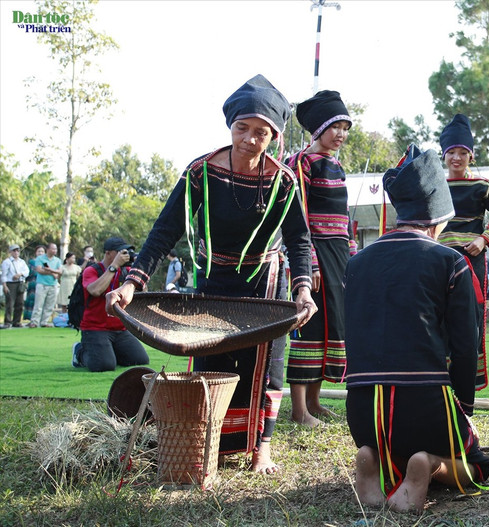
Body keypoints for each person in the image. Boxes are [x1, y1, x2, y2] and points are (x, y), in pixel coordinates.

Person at [105, 74, 316, 474]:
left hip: (266, 283)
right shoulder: (201, 173)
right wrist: (133, 282)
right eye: (243, 128)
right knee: (210, 364)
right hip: (213, 281)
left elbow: (300, 241)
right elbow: (163, 232)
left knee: (265, 367)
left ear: (273, 136)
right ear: (230, 126)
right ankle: (211, 440)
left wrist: (303, 290)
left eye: (261, 132)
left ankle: (261, 448)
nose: (250, 140)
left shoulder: (284, 182)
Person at [344, 145, 489, 512]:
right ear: (439, 217)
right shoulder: (450, 261)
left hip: (363, 412)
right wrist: (465, 403)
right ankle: (429, 465)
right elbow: (464, 344)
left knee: (386, 443)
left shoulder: (357, 263)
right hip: (425, 407)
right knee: (478, 467)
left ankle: (372, 459)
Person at [285, 90, 355, 427]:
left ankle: (314, 402)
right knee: (308, 325)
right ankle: (299, 410)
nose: (341, 134)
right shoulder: (300, 163)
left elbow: (344, 217)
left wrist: (353, 255)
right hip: (313, 254)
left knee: (333, 325)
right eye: (335, 127)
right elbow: (298, 216)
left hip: (339, 256)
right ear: (318, 129)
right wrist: (308, 262)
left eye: (345, 127)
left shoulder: (337, 165)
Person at [438, 113, 489, 390]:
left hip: (472, 260)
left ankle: (465, 385)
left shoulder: (483, 186)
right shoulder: (435, 186)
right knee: (438, 317)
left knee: (469, 319)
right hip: (438, 262)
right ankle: (439, 385)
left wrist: (484, 240)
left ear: (471, 156)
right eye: (451, 152)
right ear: (443, 155)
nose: (457, 158)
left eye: (463, 152)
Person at [71, 237, 149, 372]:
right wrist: (113, 266)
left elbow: (143, 292)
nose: (125, 255)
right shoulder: (92, 270)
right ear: (108, 253)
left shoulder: (126, 271)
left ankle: (108, 352)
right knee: (104, 366)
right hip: (95, 328)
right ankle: (80, 353)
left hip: (120, 328)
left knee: (139, 360)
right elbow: (95, 290)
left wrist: (137, 272)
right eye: (121, 252)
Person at [30, 242, 62, 328]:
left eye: (56, 249)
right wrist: (53, 273)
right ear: (48, 250)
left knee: (49, 305)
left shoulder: (57, 260)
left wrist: (49, 270)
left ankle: (44, 322)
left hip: (53, 285)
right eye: (53, 249)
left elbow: (60, 272)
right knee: (38, 304)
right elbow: (39, 270)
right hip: (42, 284)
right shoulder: (40, 259)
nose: (55, 250)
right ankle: (34, 322)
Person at [1, 244, 29, 328]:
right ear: (10, 252)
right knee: (10, 303)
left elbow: (27, 271)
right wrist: (4, 285)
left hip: (20, 283)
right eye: (14, 251)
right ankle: (8, 321)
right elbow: (4, 275)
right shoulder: (7, 262)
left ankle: (17, 321)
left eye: (17, 251)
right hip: (10, 283)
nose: (16, 252)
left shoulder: (22, 262)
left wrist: (20, 274)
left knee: (20, 303)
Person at [24, 245, 45, 321]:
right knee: (32, 301)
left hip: (43, 283)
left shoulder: (45, 262)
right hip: (33, 283)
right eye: (39, 251)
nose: (40, 253)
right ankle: (30, 319)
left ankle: (40, 319)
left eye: (42, 251)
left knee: (41, 302)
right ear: (36, 252)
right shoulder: (32, 262)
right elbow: (27, 273)